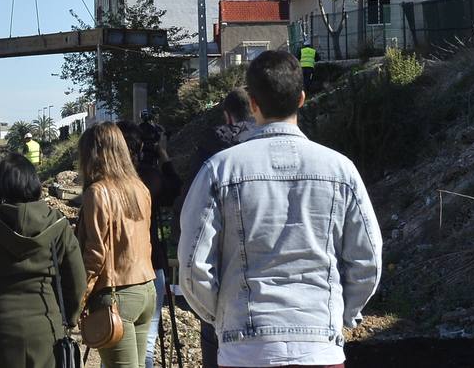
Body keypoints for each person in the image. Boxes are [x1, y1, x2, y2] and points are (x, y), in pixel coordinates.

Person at [179, 51, 382, 368]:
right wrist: (339, 315)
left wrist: (222, 318)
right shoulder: (342, 171)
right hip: (319, 348)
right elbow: (367, 260)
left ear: (253, 102)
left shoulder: (219, 171)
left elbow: (193, 264)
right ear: (302, 98)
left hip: (245, 350)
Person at [0, 153, 85, 368]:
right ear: (34, 182)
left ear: (1, 186)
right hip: (45, 328)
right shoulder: (58, 225)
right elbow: (77, 280)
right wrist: (69, 318)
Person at [76, 122, 155, 368]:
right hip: (146, 290)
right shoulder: (139, 188)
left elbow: (95, 253)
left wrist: (79, 299)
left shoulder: (97, 193)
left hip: (116, 294)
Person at [186, 89, 253, 368]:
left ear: (227, 114)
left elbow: (194, 244)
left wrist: (211, 311)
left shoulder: (212, 151)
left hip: (228, 287)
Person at [117, 121, 182, 368]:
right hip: (151, 265)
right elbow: (175, 189)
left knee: (114, 345)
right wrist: (164, 156)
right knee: (146, 345)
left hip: (118, 272)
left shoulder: (106, 183)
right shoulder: (151, 178)